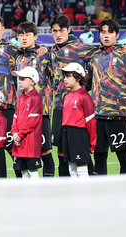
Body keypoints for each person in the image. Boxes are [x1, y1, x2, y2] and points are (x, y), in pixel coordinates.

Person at [49, 14, 97, 176]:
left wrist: (87, 83)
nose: (57, 34)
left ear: (68, 30)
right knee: (62, 149)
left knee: (79, 147)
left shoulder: (79, 46)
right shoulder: (53, 49)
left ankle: (90, 178)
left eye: (61, 30)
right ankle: (64, 183)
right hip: (58, 106)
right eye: (54, 31)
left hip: (76, 107)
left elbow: (99, 55)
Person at [90, 19, 126, 175]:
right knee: (99, 156)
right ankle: (100, 192)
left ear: (117, 35)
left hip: (117, 115)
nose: (106, 35)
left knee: (123, 157)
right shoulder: (95, 57)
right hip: (98, 115)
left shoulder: (125, 57)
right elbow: (87, 83)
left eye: (110, 32)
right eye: (103, 32)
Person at [16, 21, 54, 177]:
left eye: (28, 35)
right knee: (23, 151)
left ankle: (48, 187)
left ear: (35, 36)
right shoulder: (18, 57)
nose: (24, 38)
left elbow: (54, 76)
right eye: (21, 35)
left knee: (45, 152)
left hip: (41, 111)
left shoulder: (44, 55)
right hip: (22, 111)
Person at [59, 62, 96, 178]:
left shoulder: (85, 97)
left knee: (81, 166)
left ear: (78, 77)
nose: (65, 79)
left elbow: (91, 121)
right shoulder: (67, 96)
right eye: (64, 76)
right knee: (71, 166)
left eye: (69, 76)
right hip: (67, 134)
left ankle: (85, 194)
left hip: (79, 134)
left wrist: (92, 144)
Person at [11, 66, 43, 179]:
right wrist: (14, 133)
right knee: (23, 170)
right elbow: (15, 118)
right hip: (19, 141)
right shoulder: (20, 98)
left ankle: (36, 195)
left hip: (30, 143)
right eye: (19, 78)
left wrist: (19, 135)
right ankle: (27, 195)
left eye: (23, 79)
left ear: (32, 81)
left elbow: (32, 121)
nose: (19, 81)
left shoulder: (36, 98)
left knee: (32, 170)